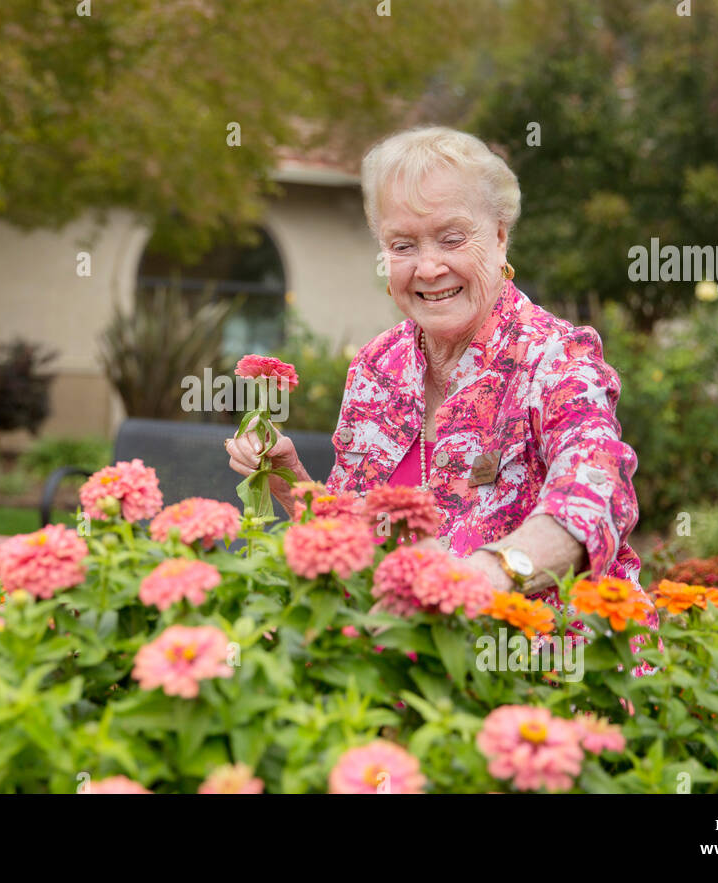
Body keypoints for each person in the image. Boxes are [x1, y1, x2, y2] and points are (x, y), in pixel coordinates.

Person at [226, 126, 657, 640]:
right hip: (412, 677)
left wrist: (494, 572)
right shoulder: (376, 368)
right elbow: (354, 543)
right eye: (403, 245)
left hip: (547, 676)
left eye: (452, 238)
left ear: (499, 237)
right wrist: (288, 479)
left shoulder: (557, 358)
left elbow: (596, 493)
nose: (429, 267)